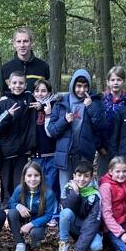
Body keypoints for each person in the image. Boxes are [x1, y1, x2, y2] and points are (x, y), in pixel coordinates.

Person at [46, 69, 106, 201]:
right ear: (73, 85)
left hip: (84, 154)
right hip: (65, 155)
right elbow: (52, 130)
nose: (81, 90)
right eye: (79, 86)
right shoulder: (61, 102)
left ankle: (83, 219)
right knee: (65, 190)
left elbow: (101, 126)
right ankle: (65, 217)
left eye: (85, 86)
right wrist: (64, 121)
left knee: (84, 190)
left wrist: (90, 107)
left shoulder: (95, 101)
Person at [0, 70, 37, 202]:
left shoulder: (29, 98)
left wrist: (41, 105)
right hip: (7, 151)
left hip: (23, 151)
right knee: (6, 184)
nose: (18, 85)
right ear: (9, 85)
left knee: (20, 183)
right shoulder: (3, 102)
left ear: (25, 85)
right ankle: (6, 211)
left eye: (21, 83)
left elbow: (48, 98)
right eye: (15, 83)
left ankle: (20, 210)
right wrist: (7, 115)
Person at [6, 162, 57, 251]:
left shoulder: (48, 193)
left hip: (38, 221)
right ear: (24, 177)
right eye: (29, 175)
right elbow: (10, 202)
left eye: (36, 175)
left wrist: (31, 224)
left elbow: (48, 215)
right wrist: (18, 206)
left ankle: (34, 242)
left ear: (41, 177)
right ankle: (20, 244)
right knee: (12, 213)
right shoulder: (20, 189)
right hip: (23, 218)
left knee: (35, 236)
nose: (33, 179)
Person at [57, 160, 103, 251]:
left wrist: (79, 248)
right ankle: (64, 242)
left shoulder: (95, 195)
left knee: (96, 247)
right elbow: (65, 209)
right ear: (74, 176)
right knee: (65, 213)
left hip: (89, 228)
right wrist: (76, 193)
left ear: (91, 178)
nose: (82, 179)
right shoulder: (68, 189)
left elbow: (93, 222)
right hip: (75, 226)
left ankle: (83, 241)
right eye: (79, 175)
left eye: (86, 176)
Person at [0, 27, 50, 94]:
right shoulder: (5, 68)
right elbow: (4, 95)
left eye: (25, 41)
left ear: (31, 42)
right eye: (19, 41)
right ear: (14, 44)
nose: (22, 45)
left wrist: (41, 104)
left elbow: (47, 94)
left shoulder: (43, 67)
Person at [97, 65, 126, 174]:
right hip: (104, 149)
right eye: (113, 80)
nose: (115, 83)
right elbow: (96, 125)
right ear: (108, 82)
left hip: (123, 148)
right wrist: (99, 146)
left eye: (119, 80)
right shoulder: (101, 100)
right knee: (104, 179)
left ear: (123, 82)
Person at [31, 79, 58, 195]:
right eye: (37, 91)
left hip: (52, 155)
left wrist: (46, 111)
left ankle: (53, 211)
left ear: (49, 93)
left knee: (51, 186)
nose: (40, 94)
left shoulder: (54, 107)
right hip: (36, 156)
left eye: (43, 91)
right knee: (37, 186)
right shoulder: (31, 108)